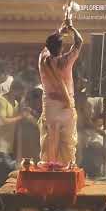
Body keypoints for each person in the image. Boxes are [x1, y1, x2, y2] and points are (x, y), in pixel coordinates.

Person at [38, 23, 83, 165]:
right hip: (66, 105)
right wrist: (71, 29)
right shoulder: (66, 61)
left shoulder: (42, 60)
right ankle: (65, 169)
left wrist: (59, 31)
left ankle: (49, 168)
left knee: (51, 138)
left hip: (50, 106)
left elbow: (47, 46)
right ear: (62, 47)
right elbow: (79, 42)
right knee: (67, 141)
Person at [0, 79, 27, 189]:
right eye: (21, 93)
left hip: (8, 148)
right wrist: (20, 117)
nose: (22, 96)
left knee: (5, 180)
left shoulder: (16, 103)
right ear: (14, 90)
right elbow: (1, 121)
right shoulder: (0, 101)